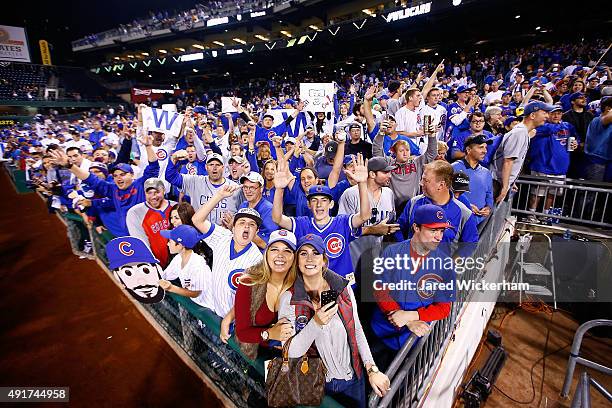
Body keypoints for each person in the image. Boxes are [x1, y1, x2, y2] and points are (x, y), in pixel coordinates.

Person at [277, 234, 390, 407]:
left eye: (315, 253)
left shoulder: (342, 288)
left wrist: (372, 368)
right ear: (297, 261)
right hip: (316, 384)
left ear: (323, 260)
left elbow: (357, 330)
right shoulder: (289, 299)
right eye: (303, 253)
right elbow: (290, 351)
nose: (309, 258)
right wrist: (316, 323)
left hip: (353, 378)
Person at [371, 204, 455, 368]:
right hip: (382, 331)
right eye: (433, 230)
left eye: (441, 231)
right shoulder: (391, 252)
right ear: (416, 227)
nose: (439, 237)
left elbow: (444, 308)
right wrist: (399, 315)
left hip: (413, 339)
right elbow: (379, 290)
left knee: (403, 388)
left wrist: (411, 316)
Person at [272, 153, 371, 285]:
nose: (319, 205)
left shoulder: (342, 222)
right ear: (309, 204)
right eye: (314, 200)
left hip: (341, 287)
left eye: (324, 200)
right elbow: (277, 218)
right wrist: (279, 189)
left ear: (331, 204)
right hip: (311, 286)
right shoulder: (302, 224)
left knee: (341, 306)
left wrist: (362, 184)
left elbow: (365, 215)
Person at [48, 133, 160, 236]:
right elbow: (91, 179)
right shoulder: (113, 189)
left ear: (131, 175)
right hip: (130, 233)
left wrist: (149, 147)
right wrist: (69, 166)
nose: (118, 178)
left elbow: (153, 167)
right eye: (115, 175)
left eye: (122, 174)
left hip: (149, 231)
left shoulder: (140, 184)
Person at [192, 185, 263, 319]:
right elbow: (197, 220)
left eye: (252, 224)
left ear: (256, 232)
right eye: (242, 222)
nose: (246, 226)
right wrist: (219, 196)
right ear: (233, 226)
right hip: (212, 310)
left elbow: (252, 301)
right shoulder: (222, 237)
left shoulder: (257, 260)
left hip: (235, 322)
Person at [229, 229, 298, 358]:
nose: (280, 255)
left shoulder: (299, 285)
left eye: (287, 251)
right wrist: (271, 334)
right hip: (259, 352)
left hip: (294, 352)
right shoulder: (248, 282)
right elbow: (242, 333)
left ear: (294, 257)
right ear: (266, 254)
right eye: (274, 249)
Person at [396, 160, 479, 255]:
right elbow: (399, 228)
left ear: (441, 185)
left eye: (425, 180)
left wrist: (453, 263)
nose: (421, 183)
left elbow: (470, 244)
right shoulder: (413, 203)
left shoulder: (464, 213)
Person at [492, 101, 554, 203]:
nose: (547, 116)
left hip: (501, 182)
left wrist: (512, 181)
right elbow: (508, 162)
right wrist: (505, 186)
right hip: (497, 183)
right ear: (533, 115)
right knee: (490, 216)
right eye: (544, 113)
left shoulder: (523, 132)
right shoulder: (519, 133)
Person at [526, 104, 578, 221]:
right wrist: (563, 125)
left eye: (559, 113)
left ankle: (545, 214)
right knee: (537, 193)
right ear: (547, 114)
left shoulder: (568, 126)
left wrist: (576, 143)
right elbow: (551, 129)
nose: (556, 115)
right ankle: (531, 214)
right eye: (553, 113)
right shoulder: (540, 126)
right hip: (542, 166)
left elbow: (575, 138)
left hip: (560, 167)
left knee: (552, 193)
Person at [166, 151, 240, 223]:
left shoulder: (234, 188)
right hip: (200, 232)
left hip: (225, 232)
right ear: (206, 167)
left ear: (223, 168)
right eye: (211, 164)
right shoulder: (195, 181)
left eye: (217, 165)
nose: (214, 168)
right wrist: (173, 159)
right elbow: (171, 177)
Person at [159, 224, 213, 308]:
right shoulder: (178, 259)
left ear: (180, 245)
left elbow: (196, 293)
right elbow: (164, 276)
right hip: (198, 305)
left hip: (211, 309)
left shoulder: (197, 264)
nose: (168, 244)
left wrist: (171, 288)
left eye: (170, 241)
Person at [126, 178, 176, 268]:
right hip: (157, 265)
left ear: (164, 191)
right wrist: (152, 266)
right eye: (149, 193)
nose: (153, 196)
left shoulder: (176, 207)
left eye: (157, 192)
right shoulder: (135, 212)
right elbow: (141, 244)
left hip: (180, 262)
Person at [451, 135, 494, 225]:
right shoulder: (454, 168)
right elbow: (446, 195)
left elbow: (489, 195)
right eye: (480, 147)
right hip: (457, 220)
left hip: (479, 223)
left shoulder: (486, 173)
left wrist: (488, 207)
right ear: (468, 150)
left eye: (485, 147)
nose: (485, 151)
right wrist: (467, 206)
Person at [238, 171, 278, 249]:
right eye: (245, 187)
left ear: (261, 189)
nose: (248, 191)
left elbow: (266, 244)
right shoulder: (243, 205)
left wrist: (239, 231)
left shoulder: (269, 210)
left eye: (252, 187)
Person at [584, 96, 612, 182]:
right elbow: (606, 119)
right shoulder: (598, 120)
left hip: (606, 160)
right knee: (592, 191)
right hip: (596, 160)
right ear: (608, 108)